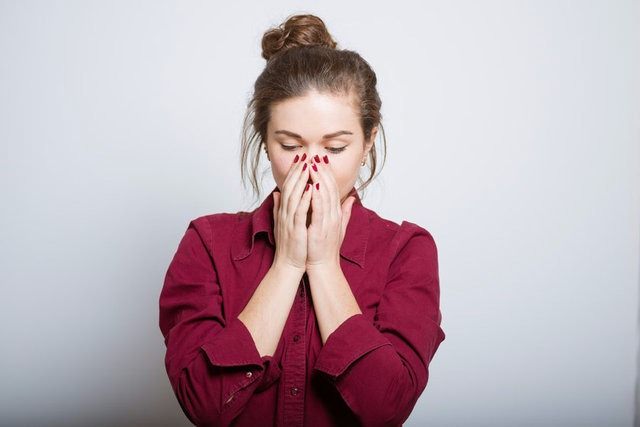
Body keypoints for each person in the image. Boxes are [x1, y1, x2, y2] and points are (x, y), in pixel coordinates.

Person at [158, 13, 445, 427]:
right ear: (265, 142)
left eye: (335, 147)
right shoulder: (206, 242)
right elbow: (203, 404)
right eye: (291, 146)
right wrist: (288, 264)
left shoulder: (407, 251)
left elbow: (386, 409)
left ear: (368, 141)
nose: (312, 168)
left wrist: (324, 266)